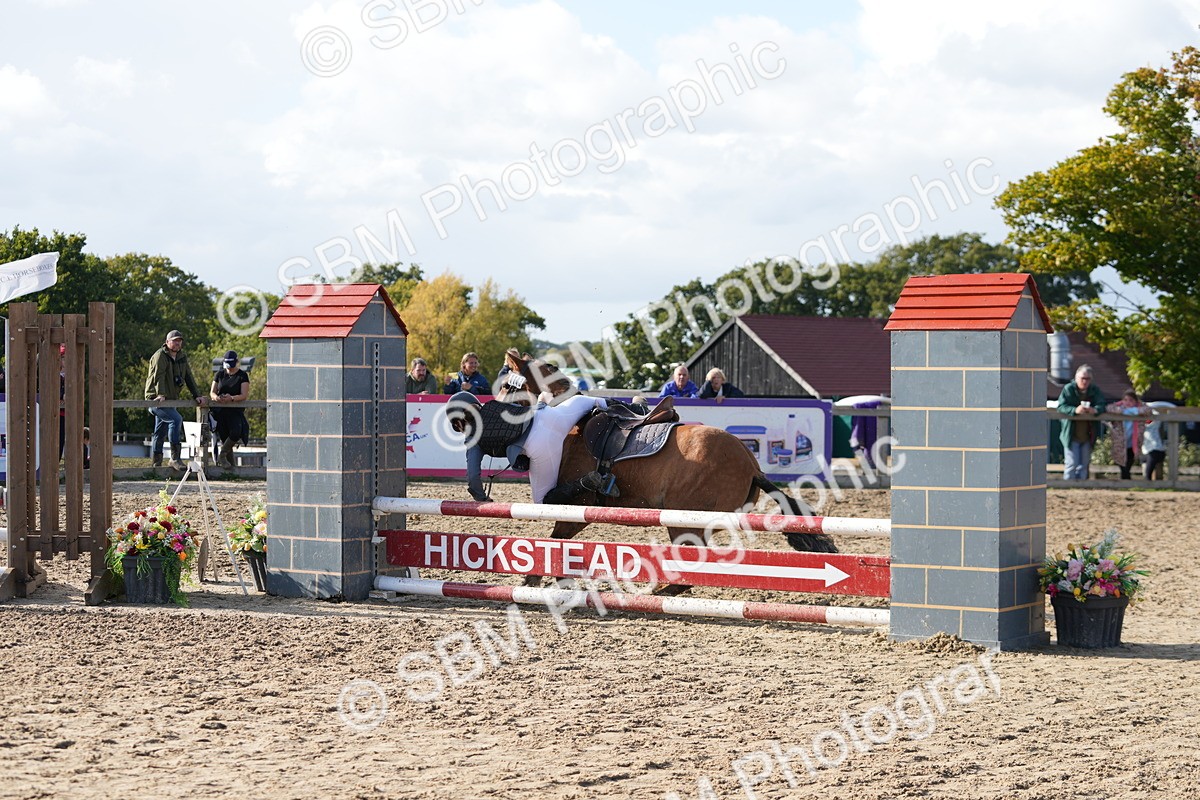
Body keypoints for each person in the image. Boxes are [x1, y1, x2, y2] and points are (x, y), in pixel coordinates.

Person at [446, 390, 611, 504]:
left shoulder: (472, 439)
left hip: (541, 445)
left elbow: (473, 476)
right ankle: (633, 409)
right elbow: (524, 410)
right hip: (551, 415)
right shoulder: (494, 405)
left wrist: (480, 497)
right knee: (585, 401)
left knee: (542, 502)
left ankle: (585, 483)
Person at [144, 330, 206, 470]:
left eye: (179, 340)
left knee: (160, 430)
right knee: (176, 420)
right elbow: (158, 376)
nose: (178, 343)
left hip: (171, 399)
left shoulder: (181, 357)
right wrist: (160, 394)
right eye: (175, 340)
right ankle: (175, 458)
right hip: (156, 398)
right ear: (167, 342)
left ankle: (156, 464)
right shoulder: (160, 355)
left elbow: (188, 377)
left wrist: (197, 395)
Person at [1056, 364, 1105, 481]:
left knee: (1084, 464)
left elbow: (1102, 404)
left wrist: (1095, 410)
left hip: (1088, 434)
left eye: (1087, 379)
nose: (1085, 381)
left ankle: (1081, 488)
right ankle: (1068, 487)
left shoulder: (1094, 390)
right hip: (1071, 434)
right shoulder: (1068, 389)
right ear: (1076, 378)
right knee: (1071, 463)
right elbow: (1061, 406)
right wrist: (1075, 410)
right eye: (1082, 378)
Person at [209, 350, 250, 468]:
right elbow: (212, 392)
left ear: (236, 362)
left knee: (235, 433)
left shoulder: (242, 375)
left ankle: (222, 454)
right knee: (224, 437)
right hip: (221, 411)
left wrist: (231, 398)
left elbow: (244, 395)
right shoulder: (219, 374)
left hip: (235, 410)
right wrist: (217, 398)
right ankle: (230, 467)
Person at [1109, 389, 1147, 480]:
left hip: (1133, 442)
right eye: (1125, 400)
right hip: (1120, 441)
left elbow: (1148, 410)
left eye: (1131, 400)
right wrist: (1122, 411)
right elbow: (1109, 408)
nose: (1128, 402)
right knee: (1120, 461)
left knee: (1130, 460)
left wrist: (1132, 411)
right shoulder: (1118, 408)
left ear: (1135, 401)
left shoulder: (1140, 408)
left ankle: (1126, 480)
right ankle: (1125, 480)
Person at [1142, 413, 1166, 480]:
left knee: (1148, 474)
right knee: (1146, 473)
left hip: (1155, 450)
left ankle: (1152, 487)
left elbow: (1157, 414)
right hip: (1146, 451)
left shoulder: (1155, 423)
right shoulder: (1142, 425)